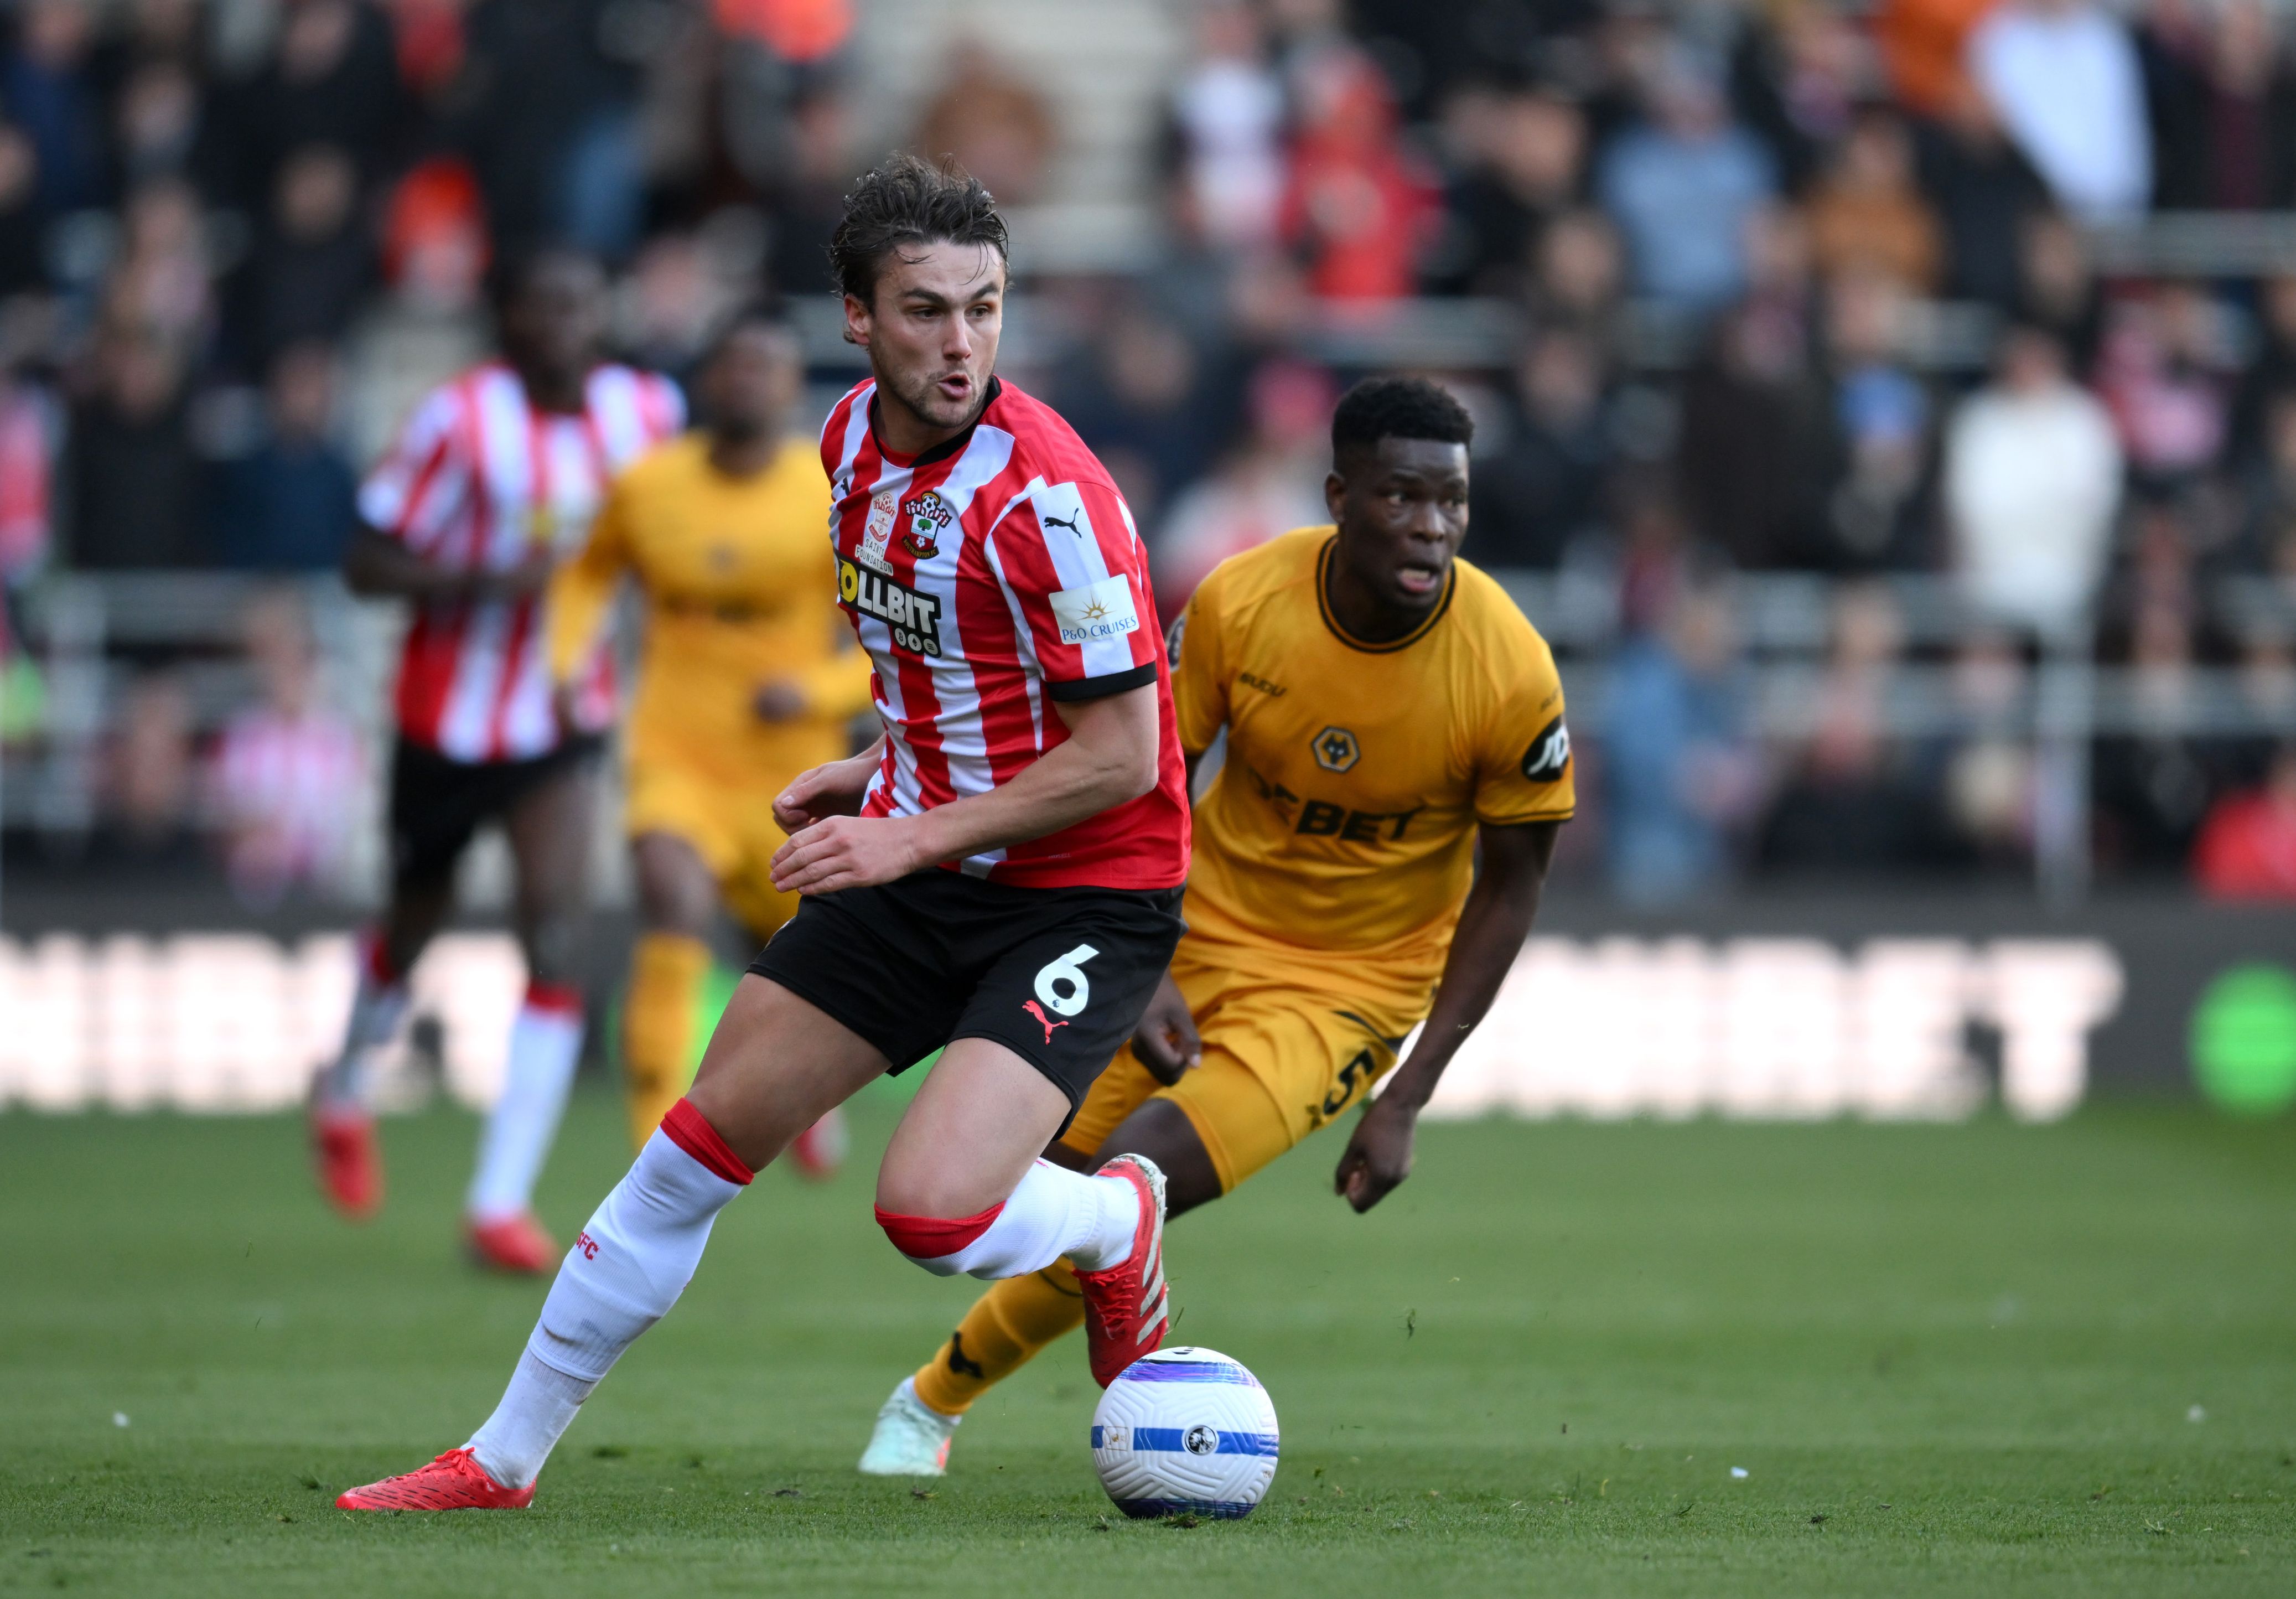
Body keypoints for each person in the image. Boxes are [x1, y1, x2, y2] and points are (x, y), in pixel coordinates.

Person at [334, 154, 1189, 1513]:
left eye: (983, 307)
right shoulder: (844, 442)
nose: (960, 341)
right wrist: (871, 769)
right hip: (914, 846)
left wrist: (906, 833)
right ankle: (500, 1459)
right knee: (687, 1152)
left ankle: (1114, 1219)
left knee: (928, 1216)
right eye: (924, 310)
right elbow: (949, 670)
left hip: (1078, 889)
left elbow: (1123, 756)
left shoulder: (1054, 501)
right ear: (854, 316)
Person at [857, 375, 1577, 1476]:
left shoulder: (1510, 669)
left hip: (1347, 989)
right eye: (1400, 497)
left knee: (1130, 1183)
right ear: (1339, 494)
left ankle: (929, 1401)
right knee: (1002, 1181)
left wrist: (1408, 1094)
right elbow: (1149, 774)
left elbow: (1511, 886)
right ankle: (954, 1393)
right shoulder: (1243, 602)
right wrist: (1143, 959)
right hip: (1181, 933)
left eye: (1450, 504)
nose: (1429, 527)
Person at [306, 250, 684, 1271]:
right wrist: (484, 573)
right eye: (540, 301)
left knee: (553, 933)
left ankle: (498, 1201)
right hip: (448, 719)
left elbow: (671, 526)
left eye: (577, 301)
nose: (561, 321)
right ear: (509, 317)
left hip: (563, 716)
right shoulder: (457, 420)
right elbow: (365, 560)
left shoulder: (646, 410)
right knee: (413, 918)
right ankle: (343, 1086)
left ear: (600, 314)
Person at [544, 309, 869, 1161]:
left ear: (791, 386)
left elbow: (886, 642)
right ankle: (652, 1131)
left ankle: (799, 1096)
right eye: (730, 366)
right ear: (705, 382)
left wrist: (812, 689)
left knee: (793, 948)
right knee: (672, 901)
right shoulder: (650, 486)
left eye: (763, 366)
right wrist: (565, 656)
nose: (745, 382)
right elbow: (586, 574)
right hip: (676, 749)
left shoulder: (828, 493)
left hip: (789, 763)